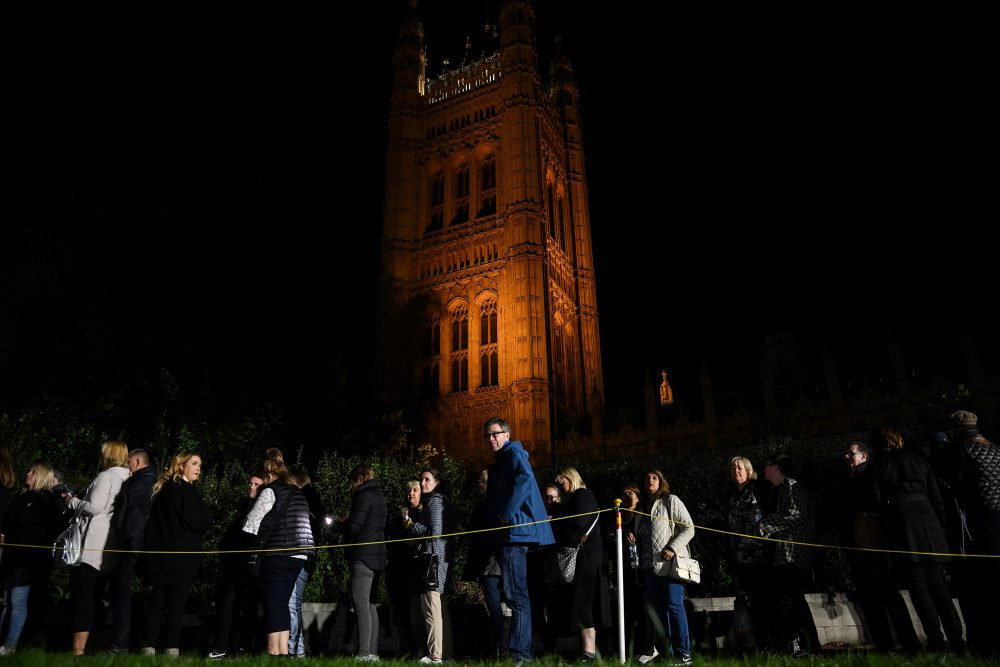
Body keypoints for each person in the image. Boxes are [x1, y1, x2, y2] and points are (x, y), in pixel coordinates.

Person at [874, 426, 964, 653]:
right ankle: (958, 639)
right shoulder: (921, 461)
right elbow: (937, 498)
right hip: (929, 525)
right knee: (938, 586)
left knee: (919, 588)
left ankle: (936, 640)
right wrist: (940, 528)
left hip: (903, 529)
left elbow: (878, 503)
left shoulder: (881, 464)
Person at [483, 417, 555, 665]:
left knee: (516, 596)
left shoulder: (514, 453)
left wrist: (508, 513)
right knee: (515, 594)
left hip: (515, 534)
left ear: (507, 434)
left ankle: (521, 653)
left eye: (495, 433)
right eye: (488, 435)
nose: (491, 438)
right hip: (507, 535)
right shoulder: (502, 460)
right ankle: (523, 652)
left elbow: (525, 480)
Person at [838, 441, 919, 654]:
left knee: (889, 596)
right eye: (846, 453)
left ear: (864, 456)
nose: (847, 457)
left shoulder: (871, 476)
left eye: (851, 453)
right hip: (858, 546)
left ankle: (909, 644)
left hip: (877, 544)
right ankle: (884, 645)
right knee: (869, 599)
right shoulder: (847, 479)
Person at [139, 451, 213, 657]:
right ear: (181, 466)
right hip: (181, 560)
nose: (199, 468)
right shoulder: (186, 490)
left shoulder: (164, 490)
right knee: (176, 605)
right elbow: (200, 520)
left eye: (200, 464)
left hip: (160, 559)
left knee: (157, 603)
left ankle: (149, 646)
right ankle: (171, 647)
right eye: (194, 463)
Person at [242, 447, 314, 657]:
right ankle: (284, 653)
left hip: (278, 554)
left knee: (273, 604)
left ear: (268, 475)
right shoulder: (297, 492)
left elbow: (251, 524)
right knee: (282, 604)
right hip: (300, 555)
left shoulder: (271, 490)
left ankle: (273, 651)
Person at [64, 439, 130, 656]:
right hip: (108, 547)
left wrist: (72, 501)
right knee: (96, 598)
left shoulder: (106, 476)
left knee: (83, 599)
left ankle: (78, 650)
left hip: (91, 547)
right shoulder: (127, 477)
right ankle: (93, 645)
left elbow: (94, 507)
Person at [0, 461, 66, 655]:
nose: (27, 473)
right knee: (6, 600)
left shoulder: (45, 499)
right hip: (12, 556)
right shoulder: (21, 497)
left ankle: (10, 645)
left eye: (33, 471)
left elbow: (45, 529)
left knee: (17, 600)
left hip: (28, 559)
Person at [758, 452, 819, 658]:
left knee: (790, 603)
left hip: (792, 556)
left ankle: (804, 645)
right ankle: (804, 646)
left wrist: (768, 523)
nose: (763, 469)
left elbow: (797, 515)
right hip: (780, 557)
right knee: (792, 603)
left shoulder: (792, 487)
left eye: (766, 465)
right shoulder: (774, 490)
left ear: (776, 467)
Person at [950, 409, 999, 657]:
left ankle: (985, 645)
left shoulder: (962, 450)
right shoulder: (996, 448)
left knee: (983, 585)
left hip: (983, 523)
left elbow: (957, 485)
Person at [635, 469, 694, 667]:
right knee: (659, 613)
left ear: (661, 482)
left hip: (670, 564)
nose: (650, 480)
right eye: (647, 478)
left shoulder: (671, 500)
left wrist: (672, 548)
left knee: (674, 607)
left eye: (654, 477)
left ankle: (683, 653)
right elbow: (642, 534)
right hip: (648, 568)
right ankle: (667, 654)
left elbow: (688, 527)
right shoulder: (642, 507)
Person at [330, 463, 387, 662]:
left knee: (360, 603)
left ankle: (363, 654)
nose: (351, 486)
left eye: (353, 482)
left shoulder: (363, 495)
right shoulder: (379, 495)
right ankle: (372, 652)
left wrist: (339, 526)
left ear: (360, 478)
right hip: (377, 554)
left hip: (363, 554)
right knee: (370, 604)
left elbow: (355, 527)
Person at [208, 471, 265, 659]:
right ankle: (222, 647)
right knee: (227, 605)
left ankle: (243, 648)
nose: (251, 487)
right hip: (234, 565)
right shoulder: (244, 507)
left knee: (247, 607)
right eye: (251, 483)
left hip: (249, 565)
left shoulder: (262, 509)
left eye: (257, 485)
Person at [552, 467, 605, 663]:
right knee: (581, 603)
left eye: (562, 482)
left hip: (586, 557)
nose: (561, 487)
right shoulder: (578, 497)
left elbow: (578, 521)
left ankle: (589, 652)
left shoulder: (583, 494)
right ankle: (587, 650)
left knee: (583, 603)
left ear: (571, 479)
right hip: (585, 556)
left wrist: (556, 520)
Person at [108, 447, 156, 653]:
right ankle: (134, 642)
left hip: (132, 547)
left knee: (122, 596)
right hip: (143, 547)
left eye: (128, 463)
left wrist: (128, 544)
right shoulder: (153, 482)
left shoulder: (139, 484)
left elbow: (135, 517)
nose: (127, 468)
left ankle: (120, 645)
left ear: (136, 462)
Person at [721, 456, 770, 653]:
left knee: (762, 602)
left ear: (749, 470)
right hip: (739, 558)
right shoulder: (731, 495)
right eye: (733, 469)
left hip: (759, 556)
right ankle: (753, 647)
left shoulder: (758, 489)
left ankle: (768, 645)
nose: (736, 472)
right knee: (745, 602)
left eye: (740, 468)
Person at [403, 467, 450, 664]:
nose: (422, 483)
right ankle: (434, 654)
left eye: (427, 480)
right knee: (429, 611)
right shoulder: (430, 501)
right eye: (421, 479)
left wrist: (410, 525)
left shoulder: (435, 502)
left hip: (433, 562)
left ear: (436, 483)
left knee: (432, 611)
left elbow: (435, 533)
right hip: (428, 560)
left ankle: (436, 656)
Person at [461, 469, 506, 660]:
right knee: (497, 606)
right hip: (494, 561)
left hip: (490, 562)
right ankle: (501, 648)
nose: (478, 485)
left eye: (480, 482)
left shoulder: (488, 506)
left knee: (494, 607)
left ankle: (501, 649)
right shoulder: (496, 504)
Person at [288, 467, 324, 658]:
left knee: (292, 602)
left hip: (300, 556)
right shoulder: (314, 500)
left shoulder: (301, 499)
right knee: (295, 602)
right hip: (309, 556)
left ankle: (294, 648)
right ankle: (298, 648)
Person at [615, 482, 653, 662]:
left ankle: (648, 648)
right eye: (624, 493)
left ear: (637, 495)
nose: (627, 495)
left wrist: (636, 537)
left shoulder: (643, 512)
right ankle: (632, 649)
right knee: (629, 609)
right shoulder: (619, 513)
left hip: (642, 566)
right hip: (625, 568)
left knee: (644, 608)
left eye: (631, 492)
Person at [385, 479, 422, 658]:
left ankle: (418, 648)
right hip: (398, 569)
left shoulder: (423, 513)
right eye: (409, 491)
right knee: (401, 612)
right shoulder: (400, 514)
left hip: (415, 571)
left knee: (416, 613)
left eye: (415, 490)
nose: (411, 494)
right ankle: (405, 647)